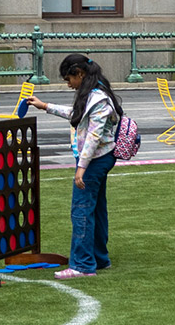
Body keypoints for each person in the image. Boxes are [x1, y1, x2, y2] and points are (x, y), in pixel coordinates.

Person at [28, 53, 121, 279]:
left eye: (69, 79)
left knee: (81, 210)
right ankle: (99, 258)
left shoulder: (97, 98)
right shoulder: (95, 93)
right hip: (101, 157)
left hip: (95, 159)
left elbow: (93, 135)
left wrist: (81, 167)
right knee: (96, 208)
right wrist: (45, 106)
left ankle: (82, 265)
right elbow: (78, 116)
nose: (68, 84)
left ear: (79, 74)